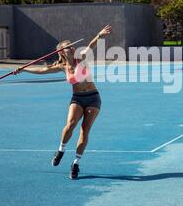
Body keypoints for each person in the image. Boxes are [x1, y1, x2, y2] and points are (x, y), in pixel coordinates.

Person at [13, 25, 112, 179]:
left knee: (85, 130)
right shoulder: (62, 67)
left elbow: (90, 45)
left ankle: (76, 164)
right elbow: (41, 70)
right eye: (68, 47)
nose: (72, 48)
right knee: (70, 125)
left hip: (93, 97)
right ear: (61, 52)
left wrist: (99, 35)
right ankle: (60, 150)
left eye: (72, 46)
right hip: (77, 98)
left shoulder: (82, 58)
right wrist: (23, 69)